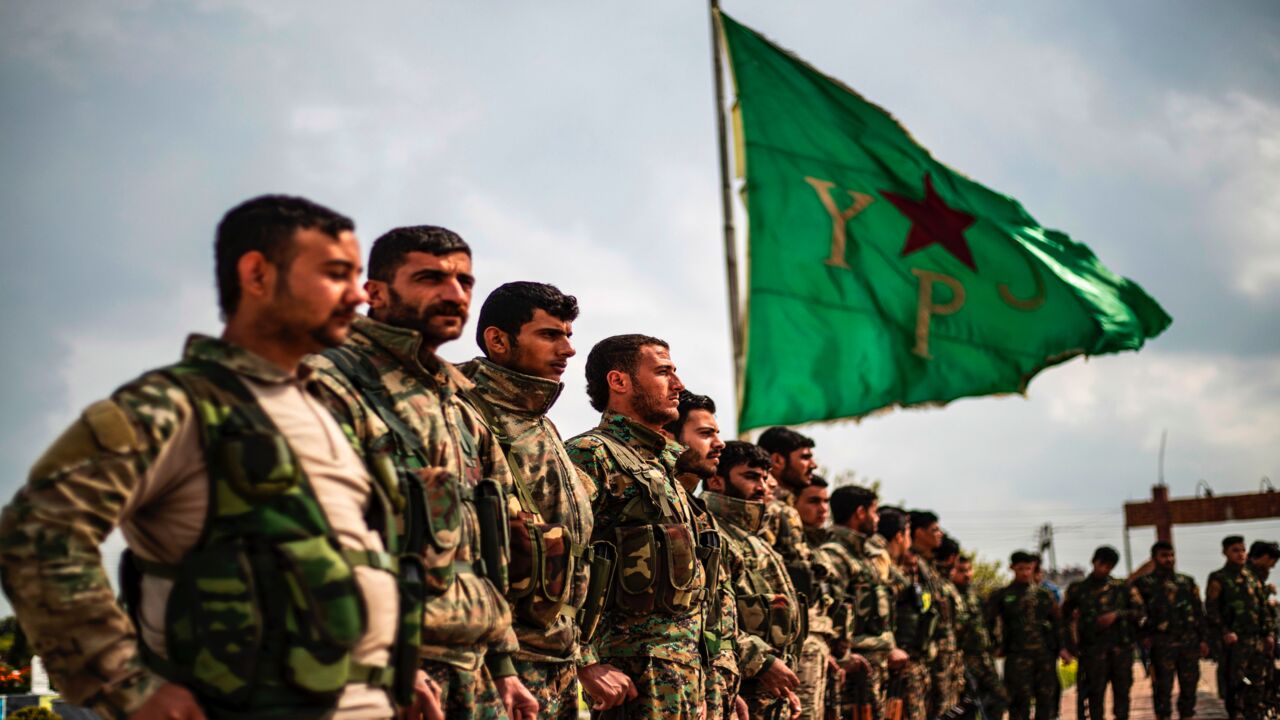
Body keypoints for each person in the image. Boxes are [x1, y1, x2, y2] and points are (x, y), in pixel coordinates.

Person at [0, 196, 440, 720]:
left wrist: (394, 670)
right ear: (256, 274)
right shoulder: (176, 404)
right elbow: (38, 535)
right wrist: (126, 685)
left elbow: (346, 565)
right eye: (335, 274)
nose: (354, 295)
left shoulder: (321, 412)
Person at [307, 226, 538, 720]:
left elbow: (487, 549)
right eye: (430, 278)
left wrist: (504, 667)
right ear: (375, 292)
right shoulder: (326, 383)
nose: (454, 294)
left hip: (470, 669)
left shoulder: (459, 403)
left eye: (464, 281)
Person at [458, 281, 629, 719]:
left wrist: (581, 655)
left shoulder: (541, 425)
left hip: (556, 662)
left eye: (569, 335)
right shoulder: (462, 409)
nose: (568, 350)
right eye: (550, 334)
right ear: (498, 340)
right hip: (494, 665)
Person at [565, 334, 711, 719]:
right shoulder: (591, 454)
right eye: (664, 372)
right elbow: (560, 557)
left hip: (684, 676)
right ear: (619, 381)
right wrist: (584, 660)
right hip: (630, 675)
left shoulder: (662, 466)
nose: (678, 385)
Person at [703, 441, 804, 719]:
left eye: (763, 477)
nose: (761, 487)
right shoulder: (712, 532)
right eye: (750, 477)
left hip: (767, 688)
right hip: (738, 684)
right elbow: (707, 617)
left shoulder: (750, 536)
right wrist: (761, 662)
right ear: (716, 481)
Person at [664, 392, 745, 720]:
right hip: (660, 678)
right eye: (705, 433)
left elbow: (716, 610)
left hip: (706, 684)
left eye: (717, 432)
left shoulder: (700, 516)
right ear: (671, 437)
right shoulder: (649, 499)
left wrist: (726, 685)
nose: (719, 443)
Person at [820, 486, 908, 720]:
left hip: (874, 668)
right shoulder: (835, 555)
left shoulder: (864, 556)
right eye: (874, 512)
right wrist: (843, 656)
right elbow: (829, 612)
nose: (877, 519)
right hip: (853, 671)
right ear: (860, 513)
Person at [1061, 546, 1143, 720]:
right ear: (1094, 561)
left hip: (1121, 650)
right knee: (1093, 697)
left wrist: (1117, 615)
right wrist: (1068, 648)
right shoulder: (1078, 589)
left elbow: (1140, 611)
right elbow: (1064, 618)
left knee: (1122, 695)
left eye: (1109, 565)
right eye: (1102, 564)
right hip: (1092, 653)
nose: (1105, 568)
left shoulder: (1122, 588)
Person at [1132, 541, 1207, 720]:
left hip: (1188, 643)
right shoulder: (1144, 584)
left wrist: (1204, 639)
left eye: (1171, 555)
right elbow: (1135, 614)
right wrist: (1143, 638)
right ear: (1154, 558)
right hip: (1160, 645)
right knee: (1162, 689)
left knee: (1189, 686)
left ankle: (1187, 715)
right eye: (1164, 556)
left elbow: (1199, 613)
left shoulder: (1186, 582)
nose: (1169, 559)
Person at [986, 551, 1063, 720]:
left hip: (1044, 659)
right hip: (1017, 658)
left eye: (1029, 568)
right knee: (1019, 706)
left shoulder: (1044, 595)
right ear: (1012, 568)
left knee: (1046, 704)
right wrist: (995, 646)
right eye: (1021, 568)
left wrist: (1063, 649)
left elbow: (1058, 624)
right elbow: (989, 624)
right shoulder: (1002, 595)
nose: (1025, 573)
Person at [1206, 535, 1276, 720]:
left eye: (1243, 550)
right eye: (1235, 550)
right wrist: (1225, 632)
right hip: (1235, 643)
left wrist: (1268, 633)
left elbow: (1263, 607)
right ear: (1225, 553)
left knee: (1258, 687)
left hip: (1257, 641)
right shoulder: (1219, 578)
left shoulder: (1252, 577)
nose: (1240, 554)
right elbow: (1212, 610)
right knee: (1236, 688)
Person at [952, 554, 1009, 720]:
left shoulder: (976, 597)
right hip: (963, 659)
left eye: (969, 570)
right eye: (962, 571)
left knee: (998, 697)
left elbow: (989, 623)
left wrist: (995, 644)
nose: (967, 574)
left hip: (983, 657)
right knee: (966, 704)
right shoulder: (951, 595)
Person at [901, 510, 945, 720]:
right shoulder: (909, 564)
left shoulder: (926, 565)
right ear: (918, 533)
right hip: (910, 655)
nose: (940, 534)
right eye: (934, 530)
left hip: (927, 653)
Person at [931, 534, 967, 717]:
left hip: (946, 659)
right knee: (943, 710)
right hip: (941, 660)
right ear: (952, 558)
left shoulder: (938, 582)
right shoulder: (940, 584)